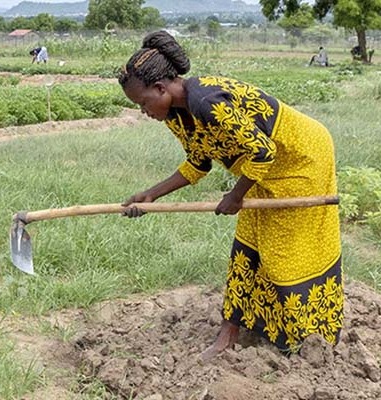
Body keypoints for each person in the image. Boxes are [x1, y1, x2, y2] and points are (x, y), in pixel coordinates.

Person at [118, 31, 343, 359]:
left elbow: (264, 151)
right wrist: (151, 195)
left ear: (161, 88)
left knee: (285, 252)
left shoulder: (207, 102)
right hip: (262, 170)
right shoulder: (176, 114)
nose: (143, 111)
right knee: (247, 246)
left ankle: (307, 338)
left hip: (300, 159)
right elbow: (198, 164)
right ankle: (230, 333)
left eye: (142, 103)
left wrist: (235, 197)